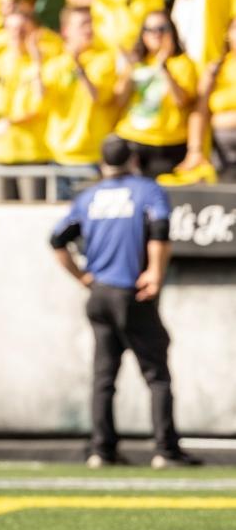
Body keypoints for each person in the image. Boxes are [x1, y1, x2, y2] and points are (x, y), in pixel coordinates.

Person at [50, 135, 203, 470]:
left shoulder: (88, 196)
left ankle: (101, 451)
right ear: (133, 159)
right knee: (157, 375)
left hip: (99, 293)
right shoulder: (146, 189)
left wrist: (82, 277)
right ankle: (166, 449)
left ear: (103, 162)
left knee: (104, 378)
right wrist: (155, 273)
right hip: (132, 291)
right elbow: (160, 230)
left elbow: (57, 239)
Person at [0, 9, 51, 201]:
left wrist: (36, 61)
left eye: (23, 29)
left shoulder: (46, 64)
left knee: (33, 216)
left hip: (32, 153)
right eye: (12, 29)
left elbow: (43, 104)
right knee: (1, 217)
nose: (17, 34)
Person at [42, 6, 117, 198]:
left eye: (91, 23)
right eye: (83, 24)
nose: (89, 29)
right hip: (59, 157)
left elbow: (97, 97)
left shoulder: (104, 60)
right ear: (66, 30)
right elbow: (41, 100)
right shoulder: (54, 64)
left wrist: (79, 68)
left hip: (91, 157)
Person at [112, 11, 198, 179]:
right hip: (134, 139)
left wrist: (163, 67)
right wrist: (130, 68)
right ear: (142, 34)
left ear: (172, 31)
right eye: (149, 29)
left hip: (168, 142)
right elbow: (119, 100)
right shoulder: (137, 62)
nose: (156, 34)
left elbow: (181, 101)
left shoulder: (183, 63)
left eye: (162, 28)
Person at [180, 16, 236, 182]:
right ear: (227, 34)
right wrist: (194, 149)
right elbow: (200, 111)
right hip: (222, 146)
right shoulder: (216, 69)